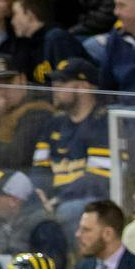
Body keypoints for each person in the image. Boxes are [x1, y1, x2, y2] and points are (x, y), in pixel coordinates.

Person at [30, 54, 109, 228]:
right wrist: (40, 195)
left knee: (68, 212)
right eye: (54, 83)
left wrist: (57, 199)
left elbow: (98, 179)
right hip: (55, 199)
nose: (55, 88)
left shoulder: (103, 122)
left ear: (84, 87)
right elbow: (39, 168)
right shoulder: (53, 124)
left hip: (90, 201)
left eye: (62, 83)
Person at [0, 51, 50, 171]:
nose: (3, 92)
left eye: (8, 84)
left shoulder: (40, 106)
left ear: (22, 79)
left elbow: (17, 156)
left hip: (15, 176)